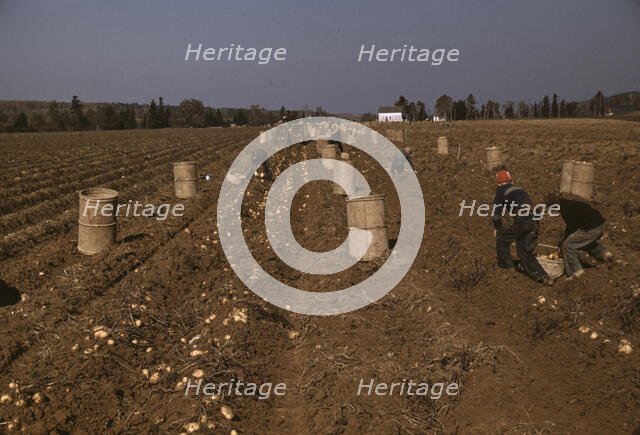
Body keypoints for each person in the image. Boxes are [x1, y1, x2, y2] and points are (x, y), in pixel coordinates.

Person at [492, 169, 553, 286]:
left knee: (501, 240)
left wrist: (497, 228)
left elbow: (496, 213)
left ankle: (507, 269)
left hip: (522, 219)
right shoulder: (519, 190)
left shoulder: (501, 191)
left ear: (498, 183)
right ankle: (544, 277)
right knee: (524, 251)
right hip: (534, 220)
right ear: (511, 181)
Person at [544, 191, 614, 280]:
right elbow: (572, 227)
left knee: (568, 245)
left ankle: (576, 271)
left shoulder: (566, 210)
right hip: (600, 224)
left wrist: (563, 243)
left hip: (592, 228)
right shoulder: (568, 204)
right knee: (581, 242)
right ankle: (605, 254)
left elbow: (572, 228)